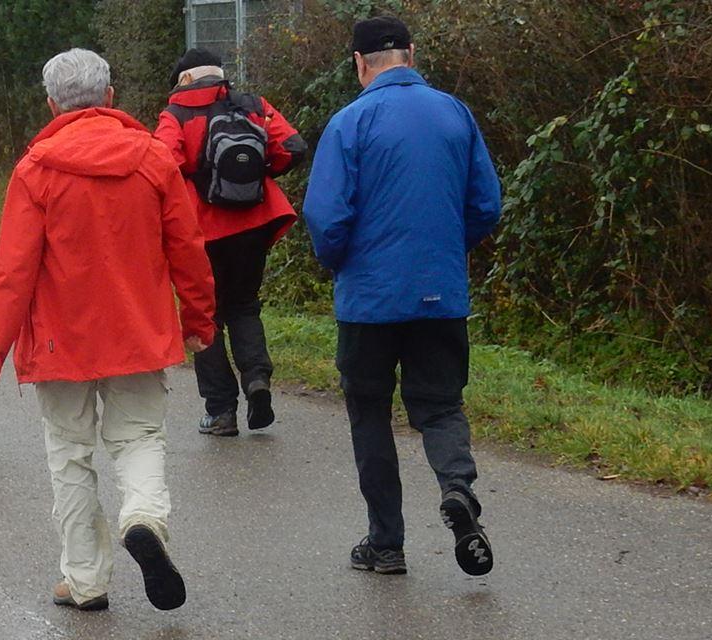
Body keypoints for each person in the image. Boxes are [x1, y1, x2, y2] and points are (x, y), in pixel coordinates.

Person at [0, 49, 215, 612]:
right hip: (138, 330)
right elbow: (188, 249)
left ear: (51, 104)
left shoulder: (36, 170)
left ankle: (84, 581)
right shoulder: (153, 159)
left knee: (70, 455)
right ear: (109, 97)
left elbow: (13, 271)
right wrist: (199, 320)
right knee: (139, 438)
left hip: (61, 340)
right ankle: (143, 518)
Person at [303, 16, 501, 578]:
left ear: (359, 63)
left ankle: (386, 544)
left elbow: (325, 216)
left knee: (369, 413)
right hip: (440, 293)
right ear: (411, 54)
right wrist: (445, 250)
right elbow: (486, 204)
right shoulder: (455, 113)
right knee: (440, 405)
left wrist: (341, 262)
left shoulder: (350, 122)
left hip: (369, 300)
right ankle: (457, 488)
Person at [153, 48, 309, 437]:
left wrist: (196, 181)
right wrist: (255, 176)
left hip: (200, 231)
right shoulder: (253, 105)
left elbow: (161, 165)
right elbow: (293, 147)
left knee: (205, 316)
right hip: (255, 221)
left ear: (184, 79)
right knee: (244, 305)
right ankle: (257, 380)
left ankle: (221, 410)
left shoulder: (175, 114)